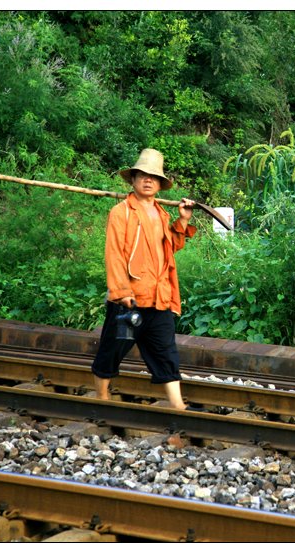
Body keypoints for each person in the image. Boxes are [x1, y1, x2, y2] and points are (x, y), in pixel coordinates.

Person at [91, 148, 196, 410]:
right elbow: (114, 253)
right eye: (142, 176)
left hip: (159, 298)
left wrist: (182, 221)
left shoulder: (162, 214)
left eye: (153, 177)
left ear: (160, 184)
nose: (148, 180)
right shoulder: (121, 212)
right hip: (130, 300)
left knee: (166, 354)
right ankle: (102, 401)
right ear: (134, 180)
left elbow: (169, 248)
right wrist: (122, 291)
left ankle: (178, 407)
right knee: (111, 351)